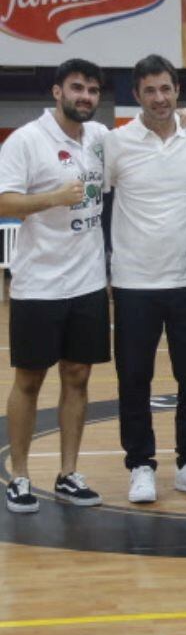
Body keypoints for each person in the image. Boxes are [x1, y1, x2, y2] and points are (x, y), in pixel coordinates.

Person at [104, 54, 186, 504]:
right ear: (136, 95)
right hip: (133, 284)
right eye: (149, 90)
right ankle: (140, 466)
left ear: (178, 92)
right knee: (134, 379)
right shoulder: (116, 144)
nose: (159, 98)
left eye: (166, 89)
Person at [0, 59, 109, 513]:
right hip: (38, 285)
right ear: (57, 92)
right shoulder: (27, 139)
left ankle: (68, 473)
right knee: (29, 380)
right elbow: (4, 199)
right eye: (77, 88)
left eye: (92, 90)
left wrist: (185, 117)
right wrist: (53, 197)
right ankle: (20, 476)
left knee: (78, 377)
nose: (85, 96)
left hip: (87, 283)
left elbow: (147, 133)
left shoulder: (101, 138)